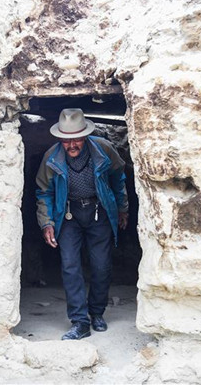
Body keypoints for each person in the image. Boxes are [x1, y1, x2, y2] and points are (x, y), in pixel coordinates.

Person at [35, 108, 128, 340]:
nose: (71, 145)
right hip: (68, 214)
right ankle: (79, 321)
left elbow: (118, 177)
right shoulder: (51, 157)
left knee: (101, 265)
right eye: (66, 140)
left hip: (99, 210)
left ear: (85, 135)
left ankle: (97, 313)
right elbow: (44, 192)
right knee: (70, 266)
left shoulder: (103, 149)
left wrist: (122, 208)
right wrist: (46, 222)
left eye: (76, 139)